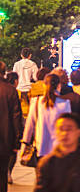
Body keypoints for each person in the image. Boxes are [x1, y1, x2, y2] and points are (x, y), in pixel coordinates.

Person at [22, 73, 72, 159]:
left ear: (44, 85)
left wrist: (25, 143)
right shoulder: (65, 104)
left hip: (40, 146)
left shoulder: (36, 102)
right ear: (59, 86)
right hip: (59, 148)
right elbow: (68, 127)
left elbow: (29, 125)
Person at [0, 62, 22, 192]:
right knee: (2, 174)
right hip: (5, 140)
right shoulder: (10, 90)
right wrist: (17, 141)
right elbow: (16, 118)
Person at [13, 47, 38, 117]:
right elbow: (36, 77)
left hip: (19, 89)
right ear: (30, 55)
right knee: (31, 111)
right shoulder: (33, 64)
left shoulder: (17, 64)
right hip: (29, 89)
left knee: (20, 111)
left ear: (21, 55)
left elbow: (14, 77)